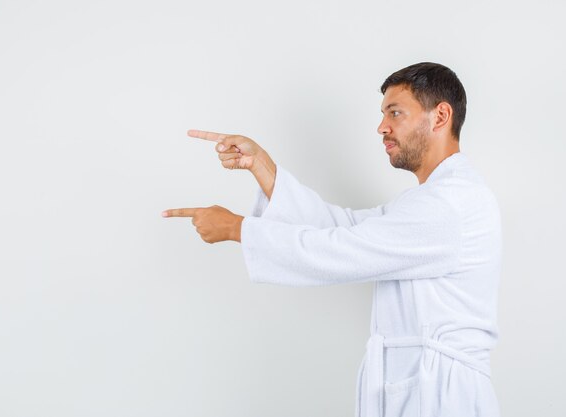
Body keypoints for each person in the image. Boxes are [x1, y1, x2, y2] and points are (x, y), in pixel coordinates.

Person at [162, 62, 502, 417]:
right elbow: (343, 227)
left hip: (442, 397)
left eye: (395, 113)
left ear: (440, 116)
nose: (381, 127)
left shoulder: (450, 205)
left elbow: (342, 251)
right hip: (424, 386)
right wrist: (261, 165)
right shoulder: (428, 201)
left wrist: (237, 229)